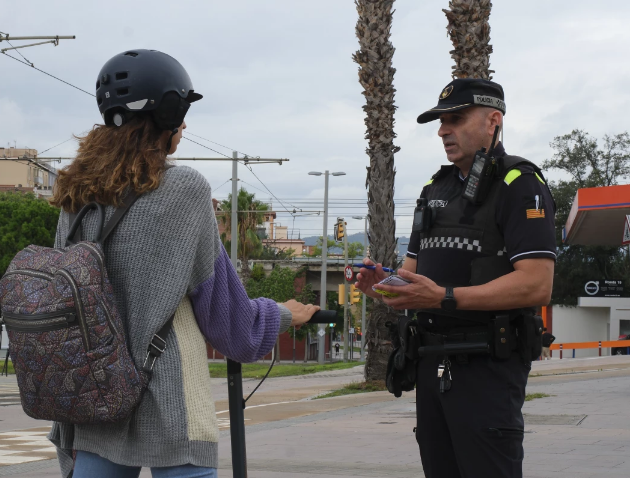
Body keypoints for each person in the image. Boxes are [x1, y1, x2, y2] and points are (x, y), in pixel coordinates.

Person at [47, 49, 319, 478]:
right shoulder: (183, 189)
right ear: (167, 113)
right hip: (166, 397)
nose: (186, 124)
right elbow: (230, 322)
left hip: (92, 398)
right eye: (183, 111)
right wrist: (286, 314)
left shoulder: (75, 195)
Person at [355, 78, 556, 478]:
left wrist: (445, 297)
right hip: (430, 362)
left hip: (487, 368)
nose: (443, 130)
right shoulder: (435, 187)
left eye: (456, 119)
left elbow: (537, 284)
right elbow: (412, 278)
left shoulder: (521, 184)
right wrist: (383, 286)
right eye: (441, 121)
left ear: (492, 121)